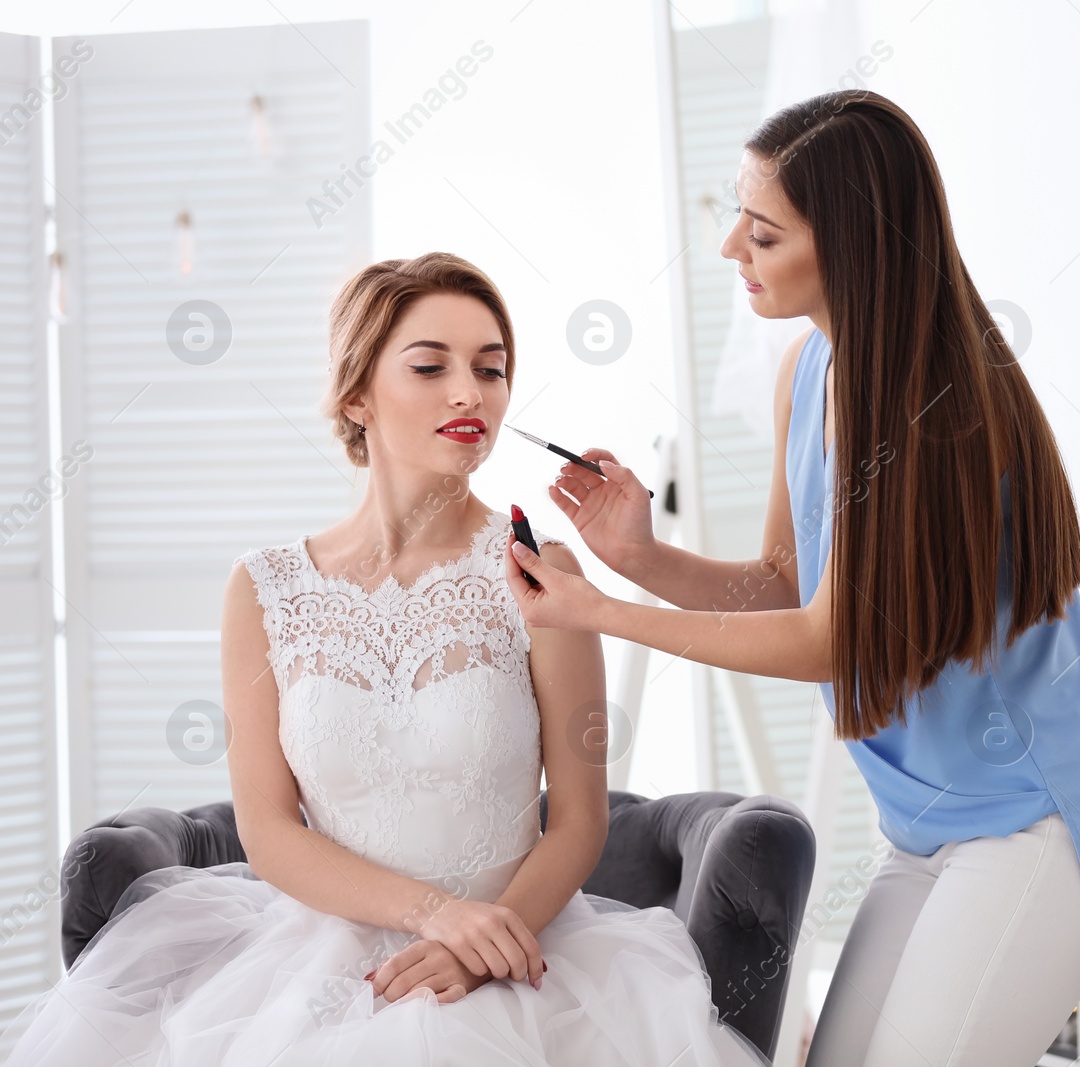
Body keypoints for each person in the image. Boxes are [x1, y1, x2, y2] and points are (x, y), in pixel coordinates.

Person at [502, 91, 1080, 1067]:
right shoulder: (811, 371)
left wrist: (603, 610)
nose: (732, 245)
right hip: (922, 826)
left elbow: (835, 638)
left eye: (765, 230)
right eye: (737, 213)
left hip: (1036, 821)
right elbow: (787, 580)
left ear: (854, 244)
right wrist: (640, 556)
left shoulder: (934, 406)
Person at [0, 253, 771, 1067]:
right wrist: (436, 913)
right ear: (357, 393)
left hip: (518, 953)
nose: (470, 392)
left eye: (491, 368)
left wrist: (476, 944)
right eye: (431, 366)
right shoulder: (264, 589)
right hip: (314, 967)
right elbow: (266, 828)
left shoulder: (545, 575)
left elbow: (580, 818)